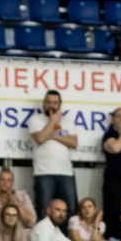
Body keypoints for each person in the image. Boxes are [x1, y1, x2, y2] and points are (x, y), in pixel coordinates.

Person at [29, 90, 79, 218]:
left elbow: (73, 143)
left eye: (55, 103)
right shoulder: (35, 120)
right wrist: (52, 121)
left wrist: (52, 135)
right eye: (48, 102)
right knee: (44, 211)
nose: (51, 105)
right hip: (43, 172)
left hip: (66, 173)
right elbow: (40, 139)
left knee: (69, 211)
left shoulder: (68, 121)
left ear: (60, 104)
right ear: (43, 103)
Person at [0, 167, 37, 233]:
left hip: (20, 229)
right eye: (2, 179)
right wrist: (7, 204)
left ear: (12, 183)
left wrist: (15, 203)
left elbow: (32, 221)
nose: (5, 182)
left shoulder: (23, 195)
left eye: (9, 180)